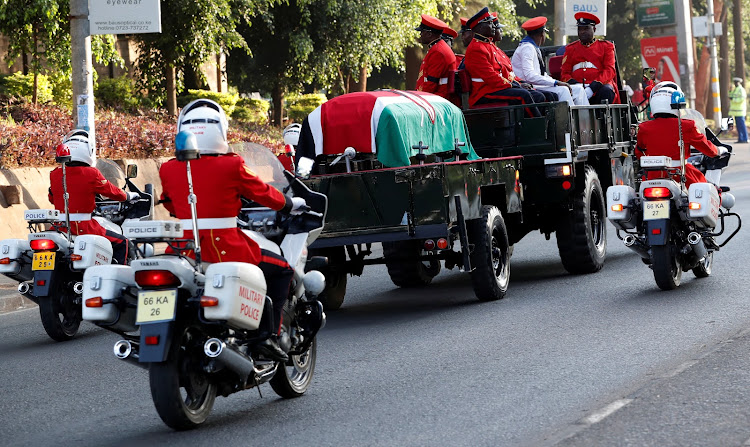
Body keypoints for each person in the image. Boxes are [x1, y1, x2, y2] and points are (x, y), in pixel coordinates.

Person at [159, 99, 307, 362]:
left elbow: (168, 201)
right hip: (225, 246)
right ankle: (267, 336)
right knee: (283, 269)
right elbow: (263, 192)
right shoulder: (231, 164)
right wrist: (289, 204)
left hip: (183, 249)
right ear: (220, 131)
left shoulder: (169, 167)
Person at [48, 129, 137, 265]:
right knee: (122, 242)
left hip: (59, 227)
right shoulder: (91, 173)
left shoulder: (55, 173)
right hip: (84, 227)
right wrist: (128, 195)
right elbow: (111, 191)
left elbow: (52, 198)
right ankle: (116, 280)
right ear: (88, 151)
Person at [635, 83, 724, 188]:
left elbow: (639, 151)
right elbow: (706, 148)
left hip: (652, 177)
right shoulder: (686, 125)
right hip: (681, 174)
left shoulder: (644, 127)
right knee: (705, 193)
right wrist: (719, 150)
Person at [463, 7, 544, 116]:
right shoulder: (476, 48)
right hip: (484, 92)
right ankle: (538, 129)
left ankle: (540, 126)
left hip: (495, 88)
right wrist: (515, 85)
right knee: (523, 96)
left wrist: (519, 83)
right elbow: (491, 77)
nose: (493, 26)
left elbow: (505, 71)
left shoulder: (488, 45)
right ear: (480, 27)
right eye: (490, 23)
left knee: (539, 96)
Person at [511, 16, 589, 106]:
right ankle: (569, 119)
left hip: (537, 84)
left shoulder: (533, 47)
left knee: (578, 89)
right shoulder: (527, 48)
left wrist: (557, 82)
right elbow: (529, 76)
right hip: (530, 86)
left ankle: (585, 119)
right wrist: (556, 83)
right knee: (563, 90)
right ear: (541, 34)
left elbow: (542, 75)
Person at [560, 12, 619, 105]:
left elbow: (609, 70)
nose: (582, 31)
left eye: (586, 28)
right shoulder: (571, 49)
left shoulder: (606, 46)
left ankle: (603, 119)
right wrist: (576, 85)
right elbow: (565, 73)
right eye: (580, 29)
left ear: (594, 29)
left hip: (598, 87)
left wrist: (592, 87)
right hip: (577, 89)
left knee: (607, 91)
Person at [415, 14, 457, 100]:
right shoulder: (437, 47)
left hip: (438, 98)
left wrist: (420, 99)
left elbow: (431, 84)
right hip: (437, 96)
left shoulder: (438, 52)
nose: (420, 35)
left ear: (429, 34)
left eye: (422, 32)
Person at [729, 77, 747, 143]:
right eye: (735, 82)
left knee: (742, 126)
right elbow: (730, 96)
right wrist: (730, 91)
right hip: (736, 112)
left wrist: (733, 100)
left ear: (739, 83)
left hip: (740, 111)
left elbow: (741, 99)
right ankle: (740, 139)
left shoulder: (741, 90)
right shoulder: (735, 89)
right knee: (738, 126)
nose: (735, 83)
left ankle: (745, 138)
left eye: (736, 82)